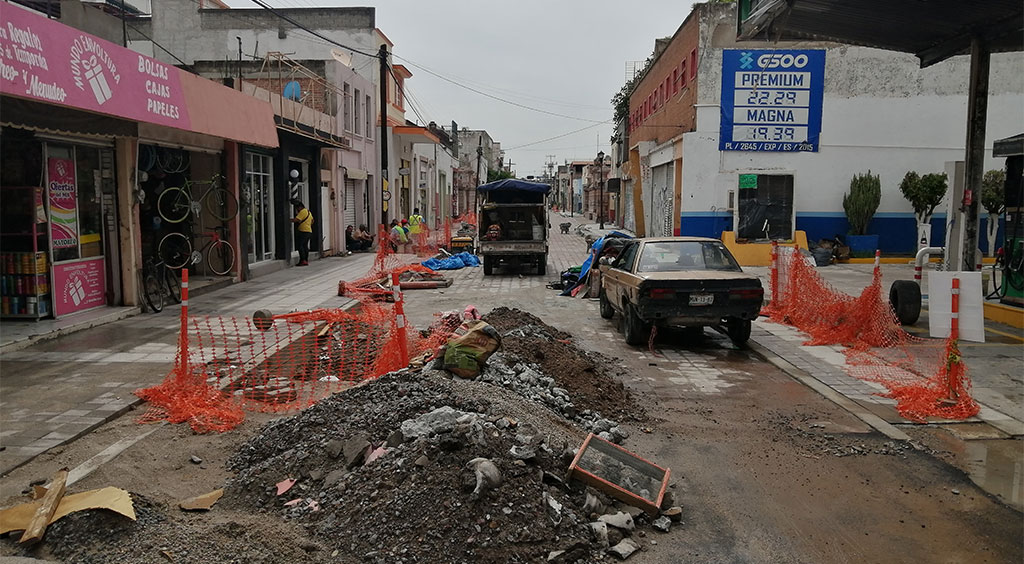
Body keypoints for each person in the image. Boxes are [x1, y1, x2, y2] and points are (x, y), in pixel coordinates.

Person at [290, 198, 313, 266]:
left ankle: (302, 260)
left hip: (304, 231)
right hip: (309, 231)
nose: (297, 210)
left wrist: (288, 220)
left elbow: (296, 220)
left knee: (300, 246)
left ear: (300, 207)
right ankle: (305, 260)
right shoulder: (308, 212)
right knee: (305, 246)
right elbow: (312, 221)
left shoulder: (303, 211)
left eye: (297, 208)